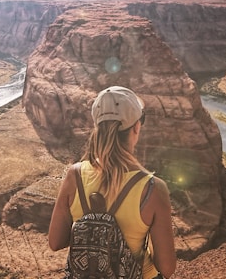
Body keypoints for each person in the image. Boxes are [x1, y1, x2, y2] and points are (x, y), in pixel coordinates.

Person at [48, 86, 176, 279]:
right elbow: (166, 268)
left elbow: (55, 242)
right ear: (136, 127)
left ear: (98, 127)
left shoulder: (74, 175)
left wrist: (91, 234)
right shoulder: (153, 188)